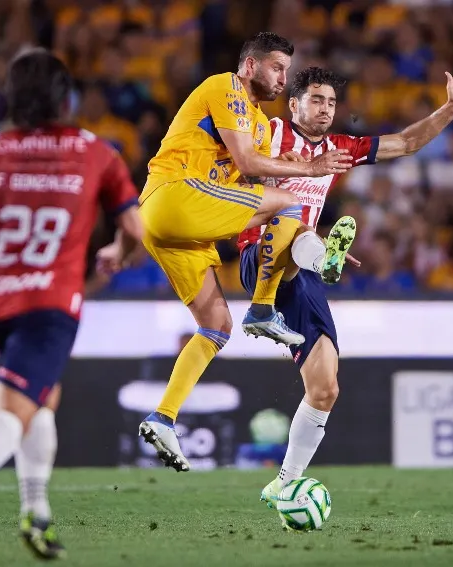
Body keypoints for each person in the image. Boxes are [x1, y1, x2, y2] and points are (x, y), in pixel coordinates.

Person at [0, 49, 142, 559]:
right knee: (17, 409)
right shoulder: (97, 153)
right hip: (52, 304)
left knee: (42, 398)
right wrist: (116, 252)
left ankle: (36, 515)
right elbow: (136, 230)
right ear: (65, 99)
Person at [236, 63, 453, 506]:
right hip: (259, 256)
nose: (326, 109)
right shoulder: (267, 133)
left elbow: (405, 143)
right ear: (293, 104)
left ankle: (285, 481)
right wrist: (276, 172)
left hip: (300, 274)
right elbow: (236, 169)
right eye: (316, 100)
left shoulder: (338, 147)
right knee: (292, 220)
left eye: (331, 102)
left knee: (325, 388)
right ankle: (317, 253)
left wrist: (450, 108)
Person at [136, 32, 354, 472]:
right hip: (175, 195)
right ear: (251, 66)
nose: (283, 78)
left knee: (216, 325)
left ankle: (163, 418)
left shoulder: (255, 121)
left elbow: (248, 187)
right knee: (286, 200)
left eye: (287, 71)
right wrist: (308, 168)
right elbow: (252, 165)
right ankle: (263, 309)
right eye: (277, 68)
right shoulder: (226, 87)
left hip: (174, 227)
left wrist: (306, 246)